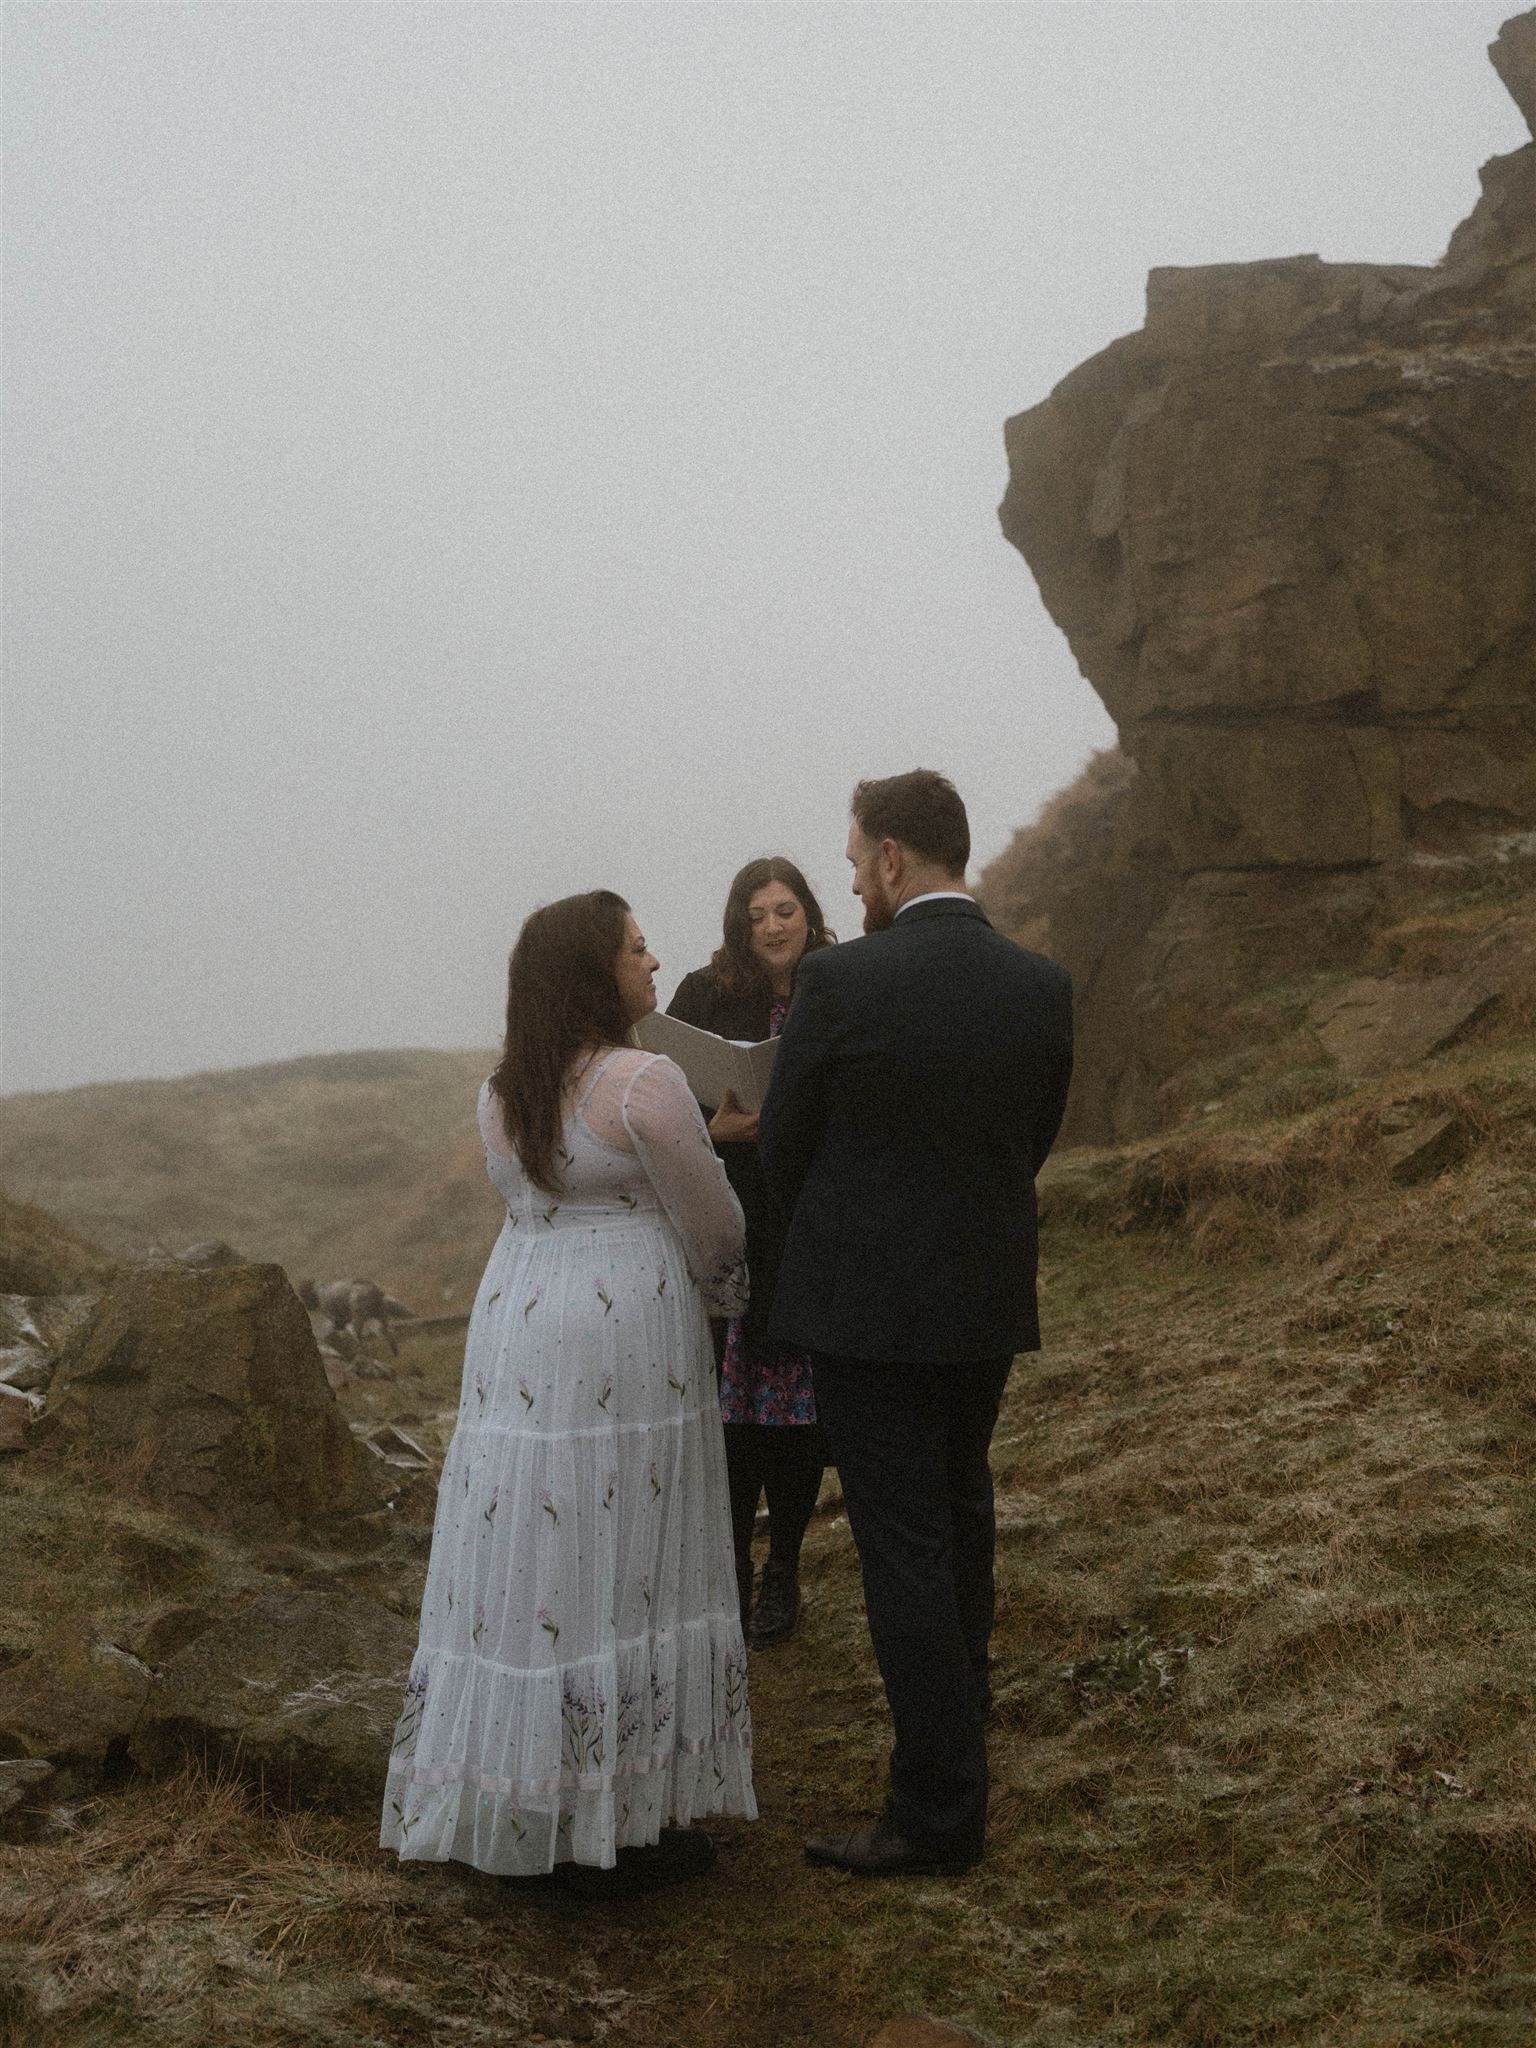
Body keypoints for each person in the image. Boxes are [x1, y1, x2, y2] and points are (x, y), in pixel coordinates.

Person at [380, 890, 756, 1891]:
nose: (652, 960)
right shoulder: (647, 1081)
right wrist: (733, 1302)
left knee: (532, 1544)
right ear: (597, 971)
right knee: (629, 1542)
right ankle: (622, 1815)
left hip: (518, 1320)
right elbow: (713, 1223)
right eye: (636, 948)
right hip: (628, 1330)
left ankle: (522, 1789)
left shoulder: (503, 1091)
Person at [758, 771, 1072, 1877]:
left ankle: (937, 1809)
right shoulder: (1040, 984)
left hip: (866, 1310)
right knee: (961, 1510)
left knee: (904, 1547)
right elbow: (1030, 1137)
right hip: (982, 1301)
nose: (848, 877)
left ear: (892, 858)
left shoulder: (840, 979)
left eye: (851, 860)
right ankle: (961, 1745)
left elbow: (786, 1144)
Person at [667, 858, 834, 1648]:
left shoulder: (838, 982)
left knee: (801, 1421)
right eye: (757, 912)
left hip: (811, 1231)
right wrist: (715, 1129)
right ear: (739, 921)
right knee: (731, 1424)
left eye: (786, 909)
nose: (772, 925)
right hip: (728, 1231)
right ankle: (730, 1575)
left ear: (809, 913)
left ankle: (785, 1569)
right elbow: (653, 1102)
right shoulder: (702, 993)